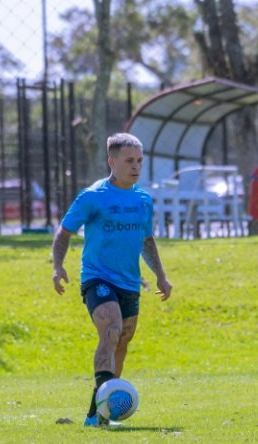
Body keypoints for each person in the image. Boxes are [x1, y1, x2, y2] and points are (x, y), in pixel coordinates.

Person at [51, 132, 172, 427]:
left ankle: (99, 415)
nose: (136, 166)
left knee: (123, 341)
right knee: (111, 330)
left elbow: (146, 239)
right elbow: (64, 232)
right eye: (129, 160)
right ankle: (101, 412)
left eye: (139, 161)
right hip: (97, 278)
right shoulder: (93, 197)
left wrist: (161, 276)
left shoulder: (143, 199)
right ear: (112, 161)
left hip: (129, 281)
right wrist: (57, 266)